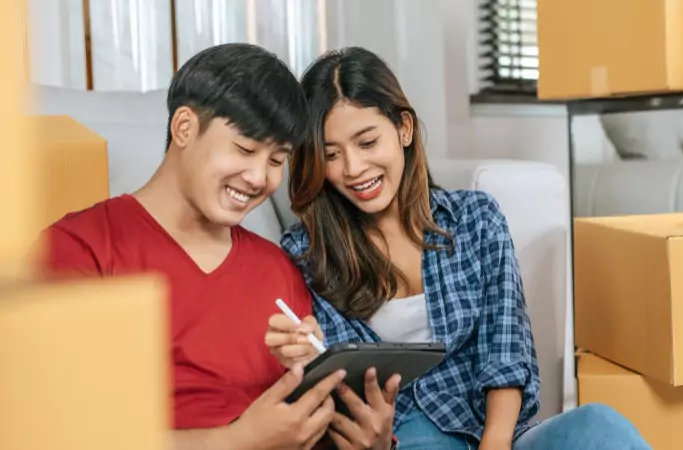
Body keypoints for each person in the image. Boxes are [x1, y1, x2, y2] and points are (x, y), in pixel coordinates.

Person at [267, 47, 652, 450]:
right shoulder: (307, 254)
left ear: (404, 129)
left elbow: (505, 353)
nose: (353, 168)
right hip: (402, 439)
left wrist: (496, 442)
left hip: (496, 435)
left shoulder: (476, 219)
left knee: (599, 424)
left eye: (367, 142)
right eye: (331, 154)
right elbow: (340, 390)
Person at [39, 43, 398, 450]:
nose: (259, 177)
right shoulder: (79, 251)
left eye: (277, 160)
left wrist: (366, 438)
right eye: (245, 149)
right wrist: (235, 441)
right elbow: (54, 433)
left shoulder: (277, 270)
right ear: (185, 128)